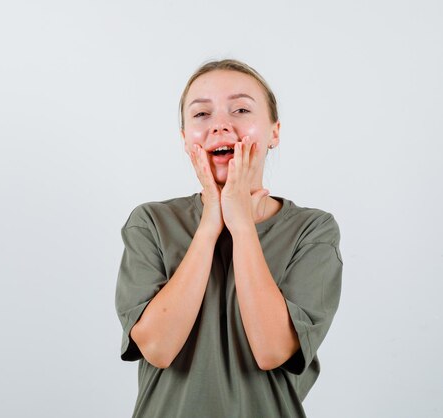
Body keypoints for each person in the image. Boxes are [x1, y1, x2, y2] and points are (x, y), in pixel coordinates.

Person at [114, 59, 343, 418]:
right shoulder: (151, 223)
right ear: (184, 138)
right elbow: (158, 347)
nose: (220, 125)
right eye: (201, 114)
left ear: (275, 132)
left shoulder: (313, 231)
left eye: (240, 109)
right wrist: (210, 225)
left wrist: (241, 225)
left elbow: (272, 350)